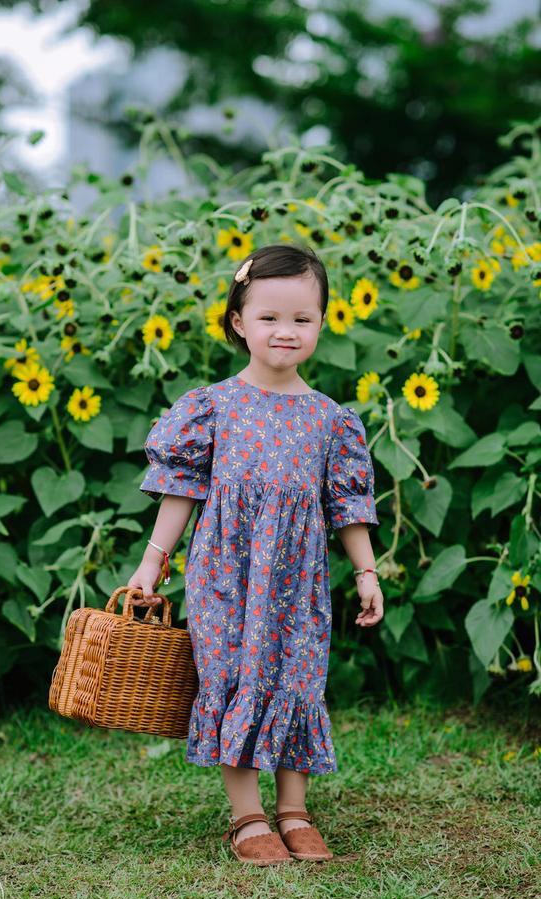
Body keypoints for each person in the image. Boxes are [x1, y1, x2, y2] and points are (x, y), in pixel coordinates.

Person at [127, 242, 384, 866]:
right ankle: (247, 817)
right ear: (238, 322)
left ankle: (294, 810)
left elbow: (346, 505)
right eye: (269, 318)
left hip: (299, 583)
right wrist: (152, 561)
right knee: (232, 678)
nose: (286, 331)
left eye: (303, 318)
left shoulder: (330, 420)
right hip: (224, 577)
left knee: (297, 679)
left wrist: (367, 570)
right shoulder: (212, 407)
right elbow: (179, 493)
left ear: (322, 322)